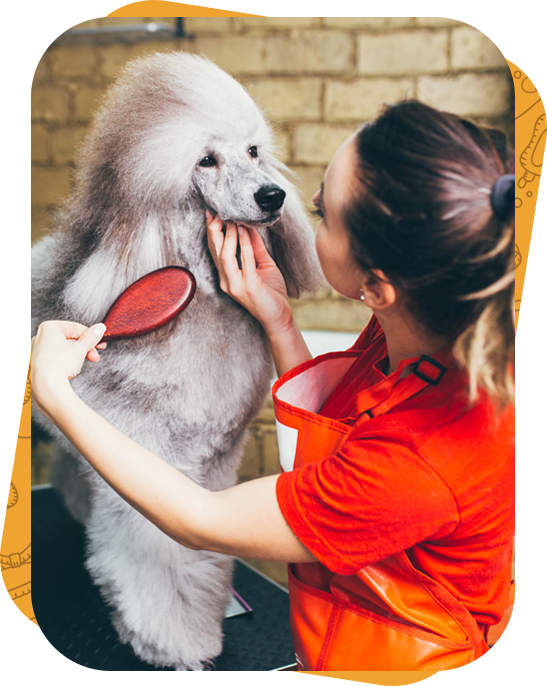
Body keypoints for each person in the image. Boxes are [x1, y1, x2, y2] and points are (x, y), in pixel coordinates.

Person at [31, 100, 515, 671]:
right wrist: (278, 319)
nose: (289, 200)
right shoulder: (426, 330)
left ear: (377, 286)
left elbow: (200, 520)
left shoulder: (421, 461)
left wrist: (56, 394)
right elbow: (338, 433)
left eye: (323, 213)